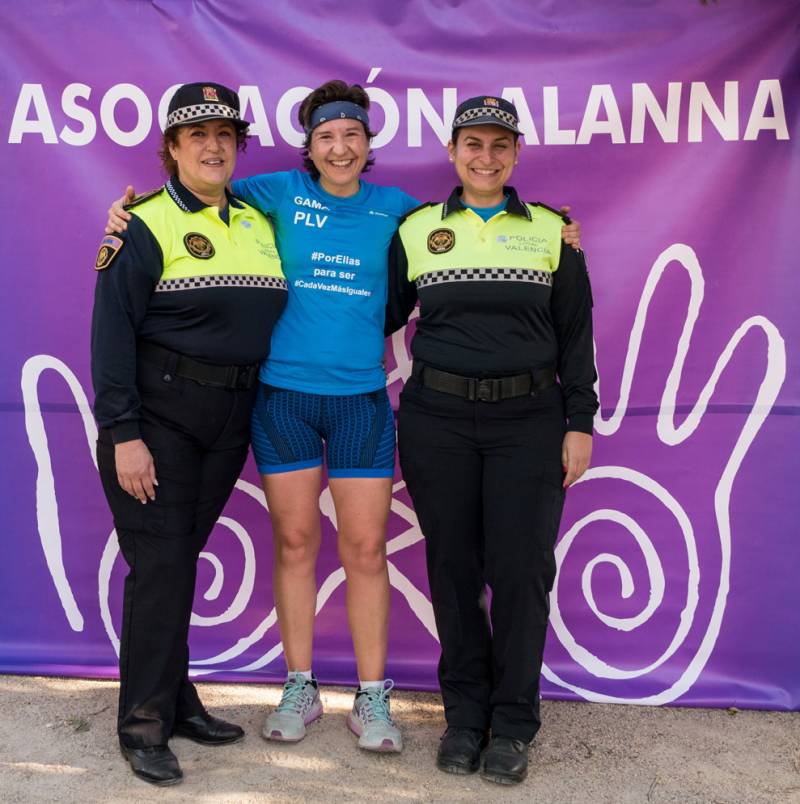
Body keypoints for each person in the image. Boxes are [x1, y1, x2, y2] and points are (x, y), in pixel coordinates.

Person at [105, 82, 582, 756]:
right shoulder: (266, 195)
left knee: (364, 551)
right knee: (296, 545)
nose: (340, 145)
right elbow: (193, 202)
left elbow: (466, 235)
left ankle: (373, 696)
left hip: (361, 400)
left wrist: (554, 231)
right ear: (311, 146)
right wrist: (125, 216)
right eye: (327, 135)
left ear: (367, 144)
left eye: (352, 134)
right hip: (283, 401)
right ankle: (299, 685)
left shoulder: (404, 212)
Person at [385, 96, 598, 785]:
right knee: (451, 570)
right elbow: (380, 314)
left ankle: (511, 723)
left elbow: (575, 333)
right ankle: (465, 717)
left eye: (499, 145)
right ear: (452, 152)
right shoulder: (417, 229)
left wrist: (579, 422)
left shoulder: (549, 231)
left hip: (529, 424)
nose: (486, 157)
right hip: (437, 421)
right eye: (473, 144)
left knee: (521, 574)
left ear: (516, 153)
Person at [92, 82, 287, 786]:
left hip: (230, 419)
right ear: (171, 148)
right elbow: (110, 335)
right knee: (163, 569)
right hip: (157, 421)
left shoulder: (259, 218)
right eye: (196, 134)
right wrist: (123, 434)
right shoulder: (141, 224)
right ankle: (143, 725)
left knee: (178, 566)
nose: (213, 145)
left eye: (225, 134)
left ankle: (178, 701)